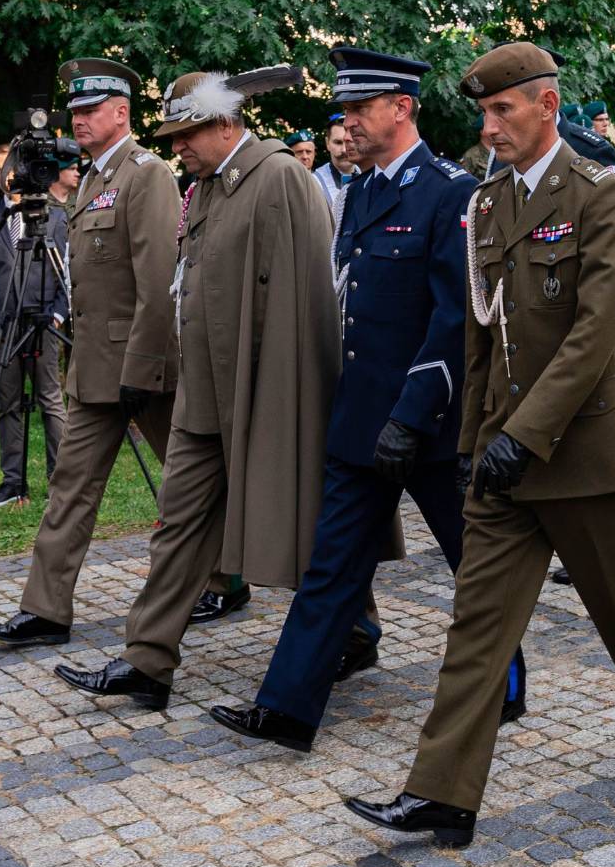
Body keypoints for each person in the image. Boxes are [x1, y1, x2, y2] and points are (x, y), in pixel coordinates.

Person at [344, 43, 615, 848]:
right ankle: (441, 793)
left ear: (547, 105)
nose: (488, 127)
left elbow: (594, 333)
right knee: (476, 627)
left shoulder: (599, 193)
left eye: (502, 110)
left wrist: (524, 436)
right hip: (502, 459)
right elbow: (479, 336)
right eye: (483, 112)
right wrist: (472, 439)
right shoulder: (488, 202)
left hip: (585, 455)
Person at [208, 46, 525, 754]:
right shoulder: (363, 191)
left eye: (359, 107)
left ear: (401, 108)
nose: (347, 121)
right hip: (361, 421)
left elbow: (454, 318)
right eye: (345, 109)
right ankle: (287, 709)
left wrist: (411, 416)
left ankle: (504, 686)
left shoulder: (449, 192)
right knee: (332, 566)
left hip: (428, 424)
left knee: (474, 565)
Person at [51, 65, 339, 710]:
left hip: (265, 392)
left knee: (297, 515)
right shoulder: (205, 186)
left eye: (188, 133)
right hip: (203, 391)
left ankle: (354, 629)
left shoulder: (280, 177)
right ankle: (147, 661)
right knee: (178, 521)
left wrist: (288, 394)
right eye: (173, 136)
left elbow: (308, 301)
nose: (177, 146)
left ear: (226, 123)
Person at [0, 57, 180, 646]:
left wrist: (146, 366)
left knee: (189, 480)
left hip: (142, 365)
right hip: (93, 367)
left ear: (122, 113)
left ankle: (226, 577)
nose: (79, 119)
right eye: (76, 110)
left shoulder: (146, 174)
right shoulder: (89, 179)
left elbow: (157, 282)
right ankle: (44, 610)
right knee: (70, 486)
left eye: (91, 109)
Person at [0, 190, 70, 508]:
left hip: (42, 321)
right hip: (2, 325)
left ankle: (61, 480)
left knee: (50, 400)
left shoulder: (55, 217)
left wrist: (58, 313)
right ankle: (12, 481)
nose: (12, 176)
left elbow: (67, 271)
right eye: (3, 170)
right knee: (7, 403)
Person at [312, 115, 359, 204]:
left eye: (349, 141)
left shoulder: (370, 177)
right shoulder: (315, 183)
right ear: (327, 143)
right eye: (338, 142)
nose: (344, 150)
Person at [458, 115, 492, 180]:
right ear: (482, 131)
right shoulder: (470, 155)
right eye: (491, 127)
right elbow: (462, 181)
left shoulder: (501, 153)